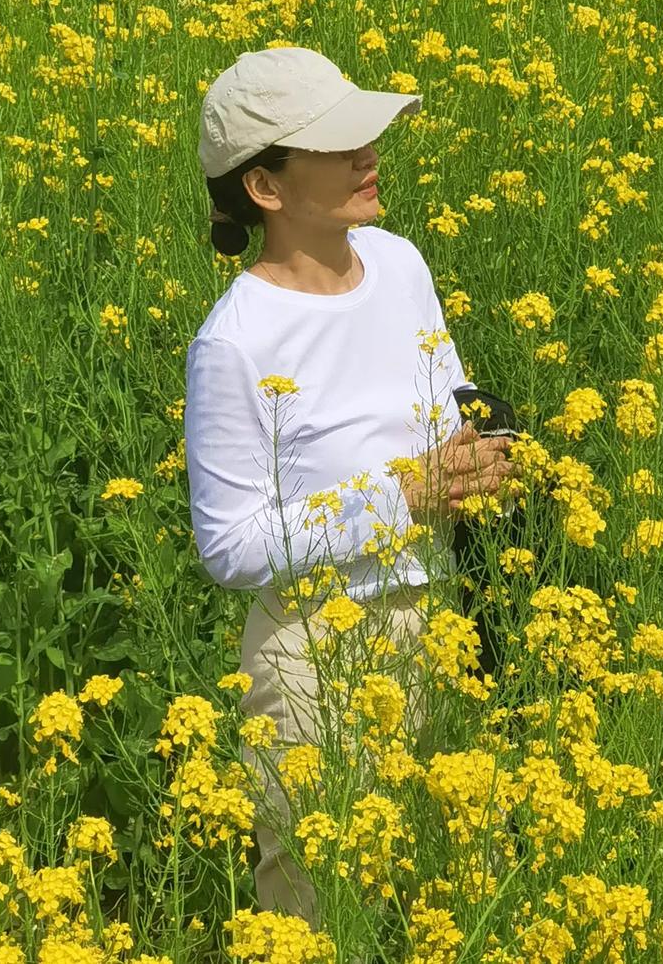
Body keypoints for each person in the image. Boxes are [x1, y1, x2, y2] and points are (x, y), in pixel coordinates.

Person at [185, 45, 514, 928]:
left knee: (472, 888)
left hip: (440, 615)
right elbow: (228, 546)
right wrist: (406, 498)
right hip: (312, 655)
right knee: (322, 911)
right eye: (338, 145)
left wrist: (482, 453)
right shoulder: (236, 342)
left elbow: (445, 392)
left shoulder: (400, 262)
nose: (368, 155)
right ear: (267, 188)